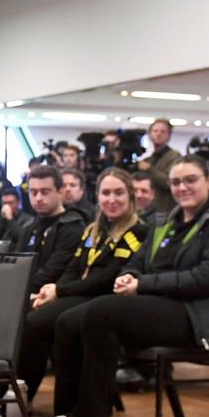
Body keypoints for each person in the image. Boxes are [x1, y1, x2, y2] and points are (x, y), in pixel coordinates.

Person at [49, 155, 209, 417]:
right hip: (163, 305)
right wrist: (128, 276)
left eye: (190, 180)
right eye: (175, 182)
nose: (182, 187)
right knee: (68, 320)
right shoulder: (166, 221)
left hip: (205, 315)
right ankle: (68, 411)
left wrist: (142, 284)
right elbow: (138, 261)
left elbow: (207, 278)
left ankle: (93, 416)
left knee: (101, 312)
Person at [18, 168, 147, 403]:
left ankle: (22, 398)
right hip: (78, 294)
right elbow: (74, 269)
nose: (111, 199)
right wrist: (53, 290)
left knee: (36, 322)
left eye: (119, 193)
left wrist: (60, 291)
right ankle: (9, 393)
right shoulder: (93, 230)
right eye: (105, 193)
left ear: (131, 196)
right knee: (28, 310)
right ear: (97, 196)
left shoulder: (138, 232)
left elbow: (108, 278)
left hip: (105, 299)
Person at [15, 165, 86, 294]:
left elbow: (53, 272)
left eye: (45, 192)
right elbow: (17, 264)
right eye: (33, 192)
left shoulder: (73, 227)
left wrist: (15, 287)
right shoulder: (28, 227)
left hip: (47, 293)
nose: (38, 198)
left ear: (60, 192)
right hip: (22, 289)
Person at [142, 119, 181, 215]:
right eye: (155, 131)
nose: (158, 134)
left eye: (163, 131)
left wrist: (149, 169)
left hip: (165, 210)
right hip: (149, 209)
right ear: (150, 134)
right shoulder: (149, 159)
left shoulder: (174, 156)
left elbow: (170, 182)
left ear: (169, 136)